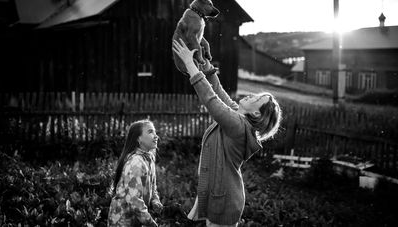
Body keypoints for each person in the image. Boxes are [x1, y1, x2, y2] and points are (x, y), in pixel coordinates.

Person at [172, 39, 282, 227]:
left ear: (255, 113)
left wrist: (190, 64)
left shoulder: (239, 126)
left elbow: (210, 99)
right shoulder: (238, 117)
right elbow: (219, 92)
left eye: (256, 98)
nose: (250, 95)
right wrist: (207, 67)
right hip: (219, 194)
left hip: (224, 201)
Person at [107, 119, 163, 227]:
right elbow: (134, 201)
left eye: (155, 132)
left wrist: (155, 201)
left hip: (135, 221)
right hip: (122, 222)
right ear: (139, 139)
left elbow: (152, 187)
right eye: (150, 132)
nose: (156, 136)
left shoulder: (149, 158)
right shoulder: (136, 163)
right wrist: (150, 222)